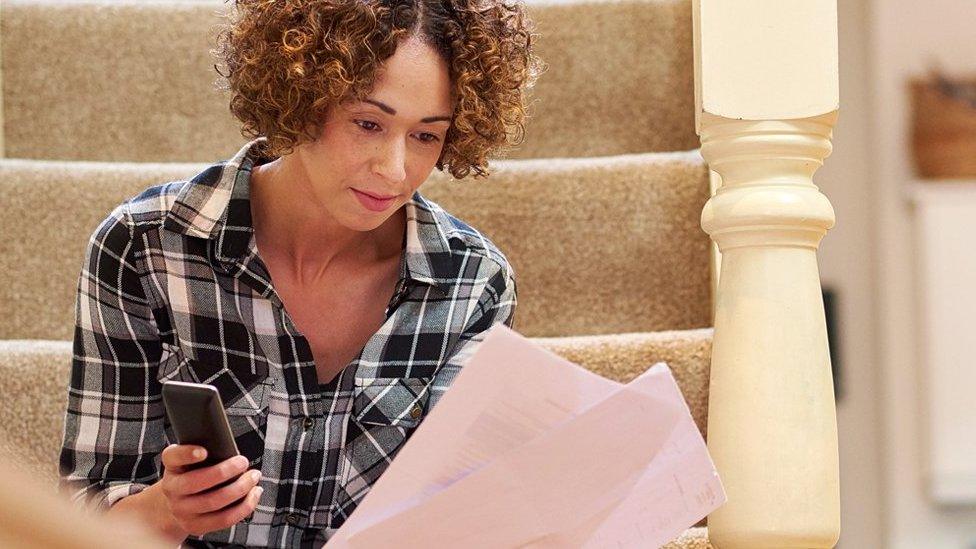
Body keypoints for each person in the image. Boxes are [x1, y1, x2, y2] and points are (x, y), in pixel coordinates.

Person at [58, 0, 544, 546]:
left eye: (426, 136)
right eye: (367, 123)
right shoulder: (146, 248)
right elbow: (81, 513)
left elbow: (460, 508)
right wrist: (165, 511)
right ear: (303, 99)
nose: (394, 168)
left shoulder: (472, 283)